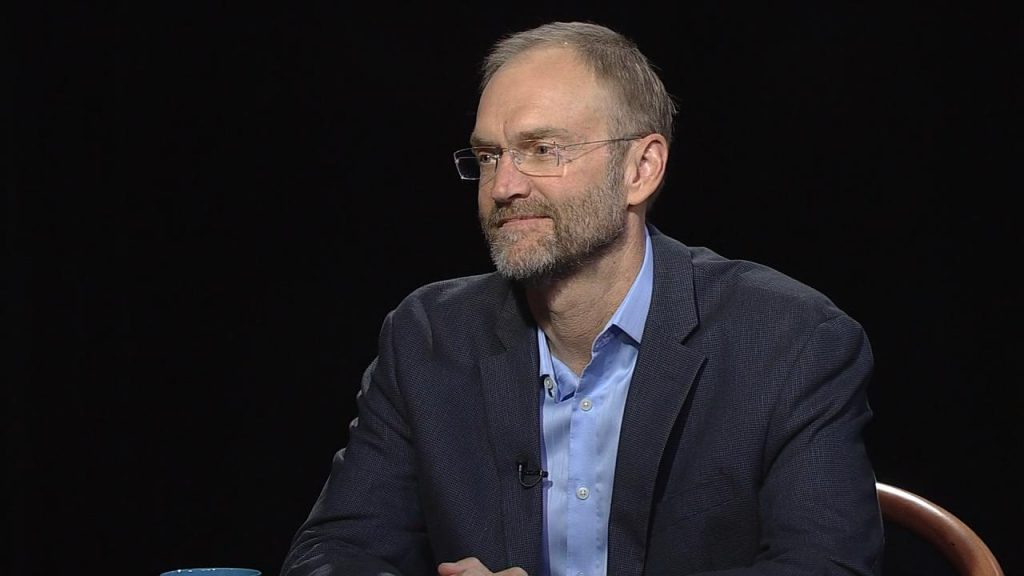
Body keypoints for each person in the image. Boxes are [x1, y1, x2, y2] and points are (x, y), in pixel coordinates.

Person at [281, 20, 883, 576]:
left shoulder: (790, 340)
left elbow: (827, 569)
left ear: (640, 169)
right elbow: (334, 553)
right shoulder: (427, 337)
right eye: (489, 156)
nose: (505, 186)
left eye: (544, 150)